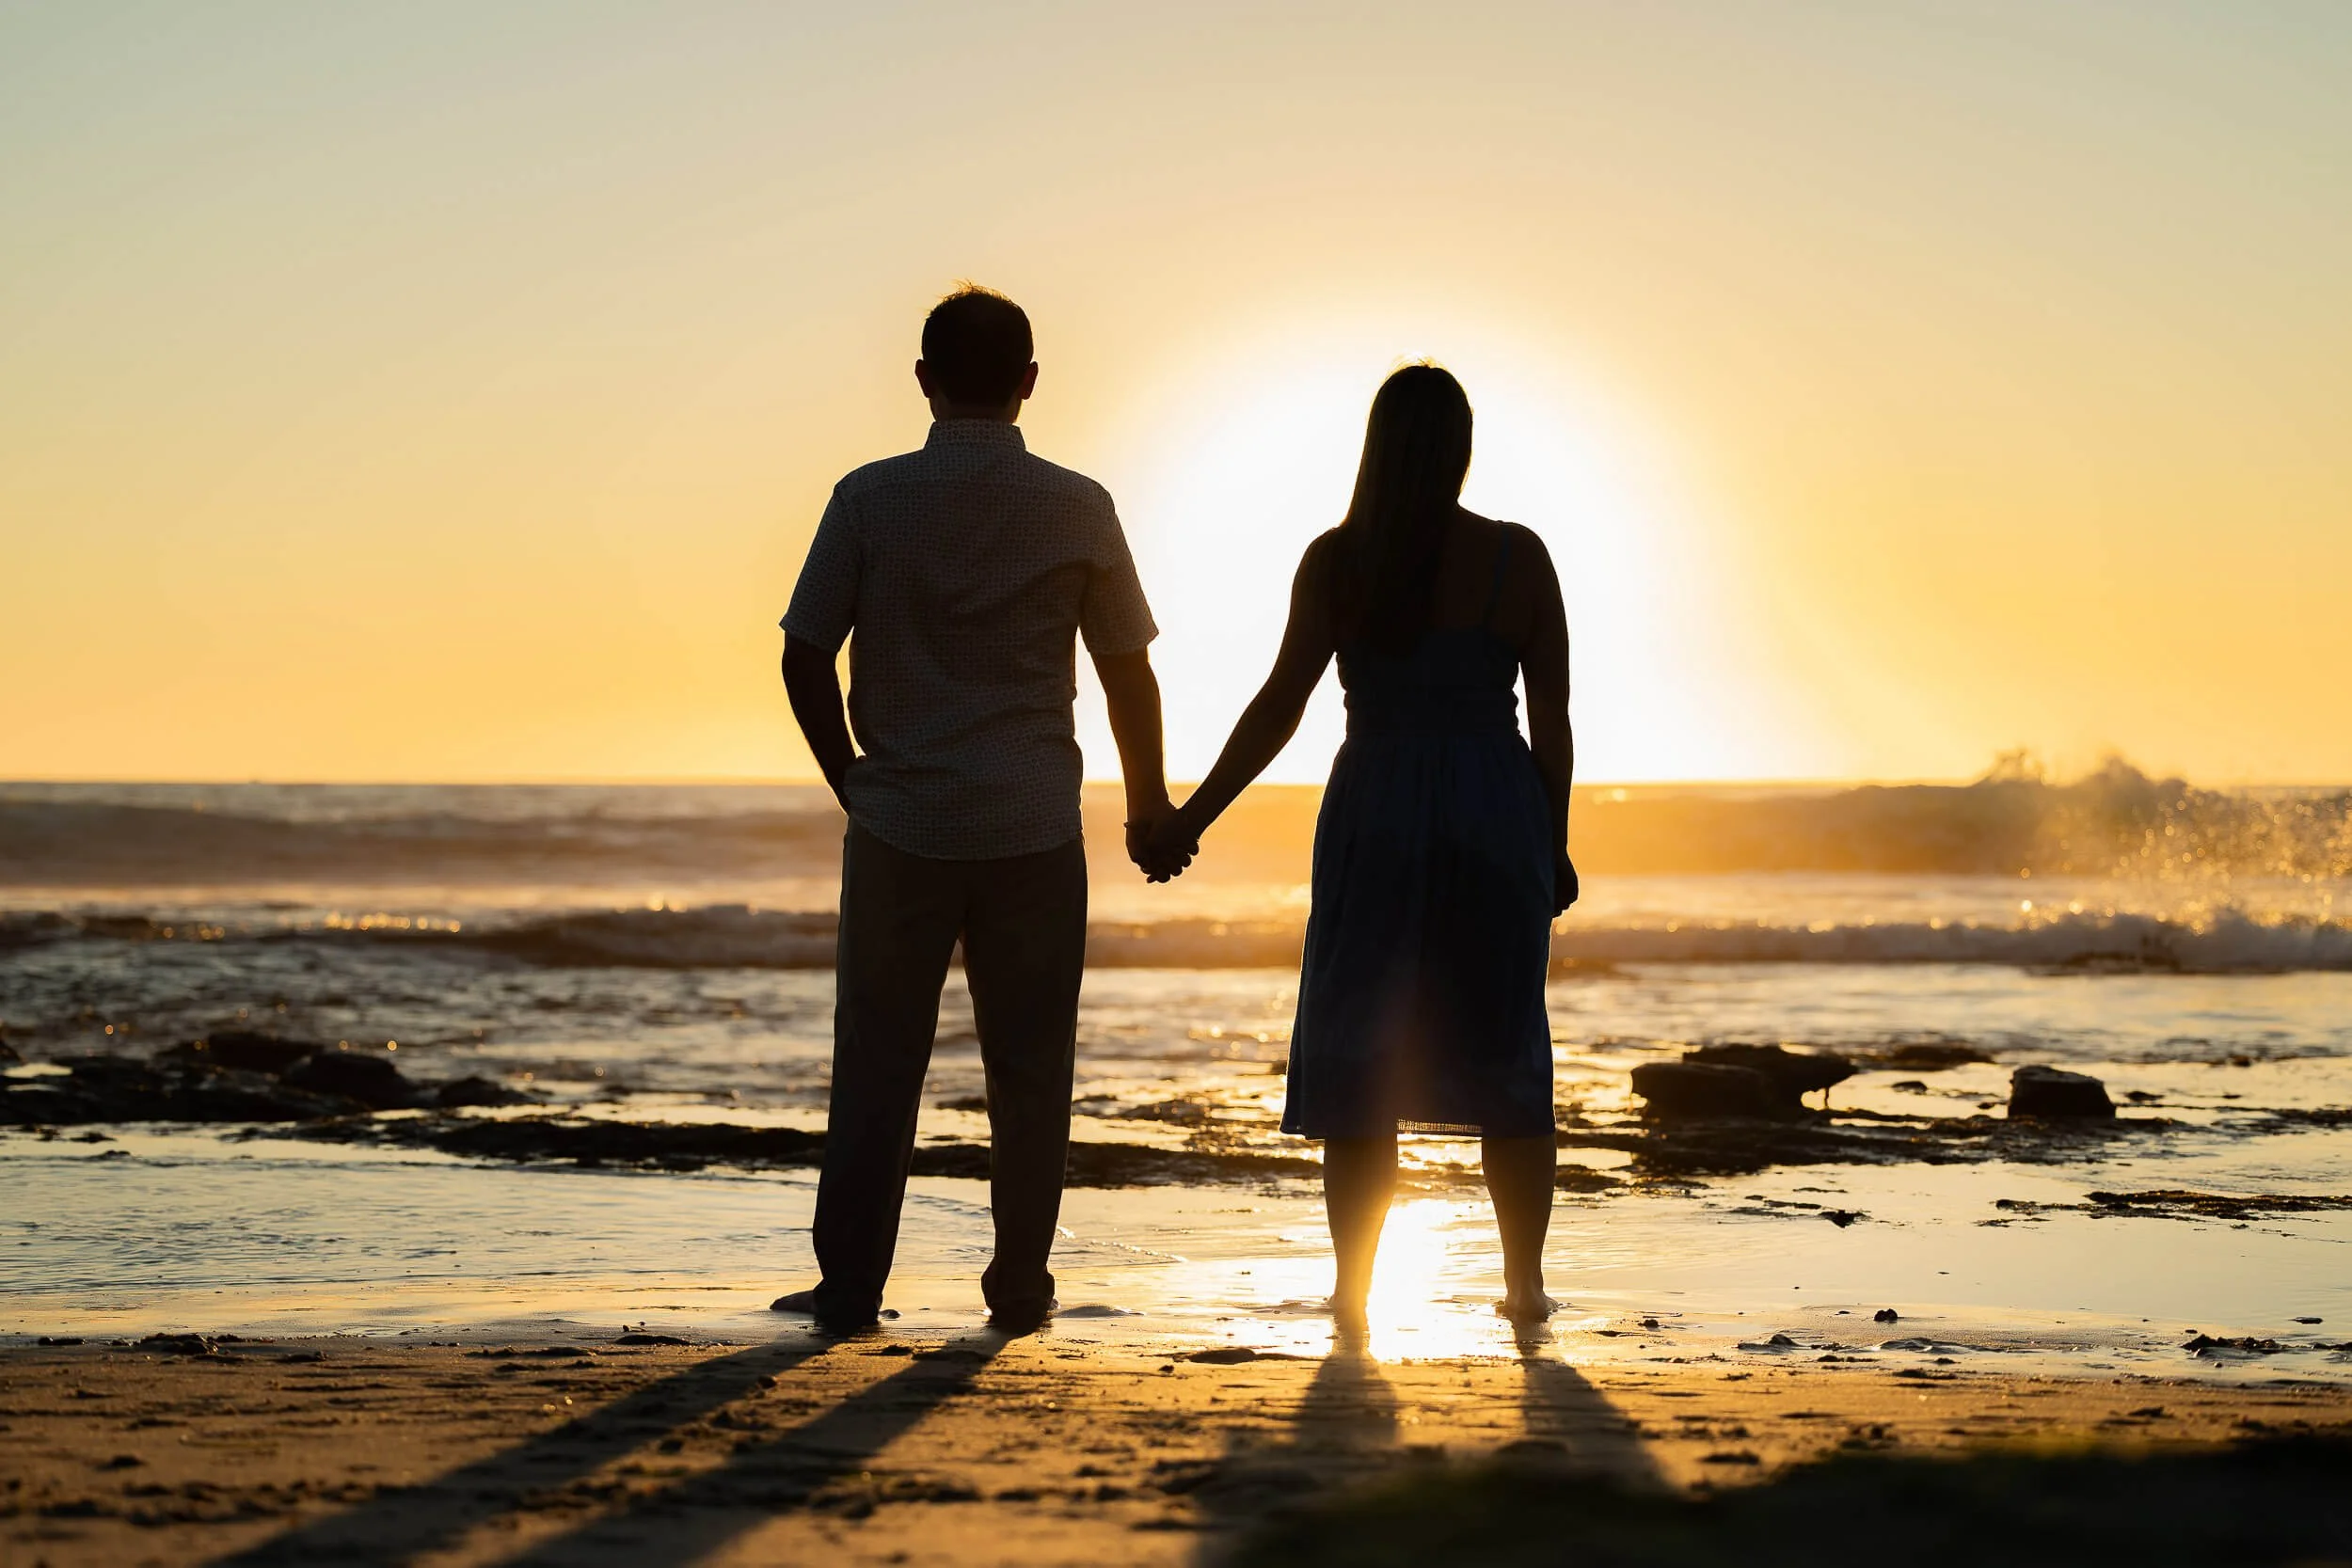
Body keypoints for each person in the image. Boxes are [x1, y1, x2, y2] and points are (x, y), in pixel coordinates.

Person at [773, 285, 1184, 1336]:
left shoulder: (868, 497)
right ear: (1029, 383)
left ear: (922, 378)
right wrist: (1148, 804)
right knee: (1031, 1064)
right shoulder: (1076, 503)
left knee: (876, 1057)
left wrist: (851, 779)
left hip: (901, 820)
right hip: (1033, 822)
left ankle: (852, 1282)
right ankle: (1018, 1282)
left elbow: (805, 649)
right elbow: (1127, 668)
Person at [1148, 363, 1577, 1328]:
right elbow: (1550, 717)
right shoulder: (1518, 558)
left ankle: (1353, 1290)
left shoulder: (1339, 560)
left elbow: (1278, 708)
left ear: (1374, 449)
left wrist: (1191, 818)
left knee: (1358, 1051)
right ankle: (1524, 1284)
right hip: (1490, 809)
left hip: (1375, 807)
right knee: (1506, 1048)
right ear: (1462, 449)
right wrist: (1550, 841)